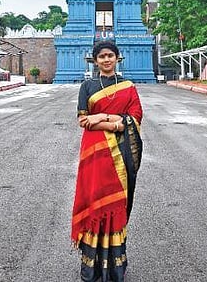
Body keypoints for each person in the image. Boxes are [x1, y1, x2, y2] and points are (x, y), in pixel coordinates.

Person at [71, 40, 144, 282]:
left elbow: (133, 119)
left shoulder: (128, 86)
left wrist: (103, 118)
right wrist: (112, 122)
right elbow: (83, 120)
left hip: (119, 155)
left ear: (117, 57)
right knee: (95, 202)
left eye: (110, 55)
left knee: (115, 204)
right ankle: (91, 267)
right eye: (101, 56)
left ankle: (115, 267)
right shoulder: (87, 86)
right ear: (95, 60)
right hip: (94, 155)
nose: (106, 59)